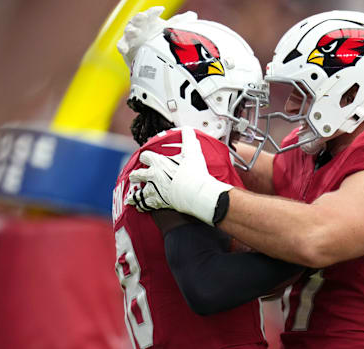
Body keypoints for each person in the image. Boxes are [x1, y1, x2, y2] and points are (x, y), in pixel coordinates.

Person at [128, 10, 364, 348]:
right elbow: (230, 157)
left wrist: (202, 195)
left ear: (350, 92)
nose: (293, 105)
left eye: (305, 91)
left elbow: (318, 236)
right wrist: (163, 83)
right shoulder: (310, 157)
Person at [112, 7, 304, 349]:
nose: (244, 119)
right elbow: (208, 287)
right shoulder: (184, 146)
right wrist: (310, 248)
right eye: (238, 104)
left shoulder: (145, 160)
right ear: (194, 94)